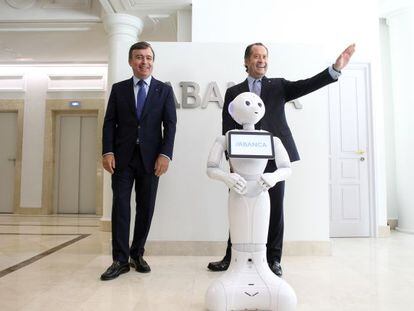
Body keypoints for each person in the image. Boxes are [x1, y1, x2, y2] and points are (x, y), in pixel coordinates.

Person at [207, 42, 355, 277]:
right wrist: (231, 163)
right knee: (239, 208)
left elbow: (307, 85)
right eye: (256, 56)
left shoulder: (278, 86)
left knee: (275, 209)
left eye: (264, 56)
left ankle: (273, 259)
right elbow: (227, 127)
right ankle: (231, 257)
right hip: (243, 162)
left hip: (274, 160)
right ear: (246, 61)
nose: (261, 60)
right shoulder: (234, 92)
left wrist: (334, 70)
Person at [100, 41, 177, 281]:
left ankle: (137, 254)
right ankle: (120, 260)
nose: (144, 62)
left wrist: (165, 155)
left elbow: (170, 125)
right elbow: (109, 123)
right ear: (130, 61)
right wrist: (107, 152)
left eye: (148, 57)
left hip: (151, 160)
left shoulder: (163, 90)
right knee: (121, 208)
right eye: (139, 57)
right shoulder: (119, 88)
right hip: (122, 159)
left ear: (153, 61)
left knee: (146, 208)